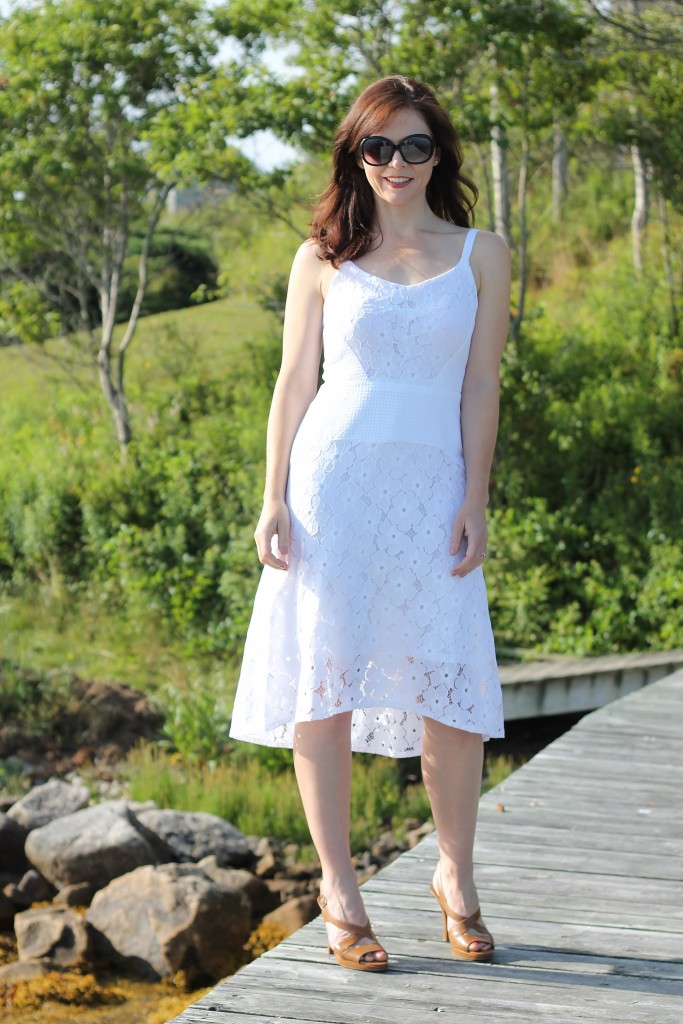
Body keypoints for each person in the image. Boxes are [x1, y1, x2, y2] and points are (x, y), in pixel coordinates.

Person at [230, 74, 510, 973]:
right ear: (355, 155)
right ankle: (340, 892)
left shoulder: (482, 252)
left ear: (439, 154)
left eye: (414, 145)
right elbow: (292, 383)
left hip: (432, 489)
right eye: (377, 147)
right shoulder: (322, 258)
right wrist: (272, 496)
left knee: (448, 694)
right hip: (331, 488)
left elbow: (479, 387)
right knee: (326, 686)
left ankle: (454, 880)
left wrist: (475, 497)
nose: (395, 163)